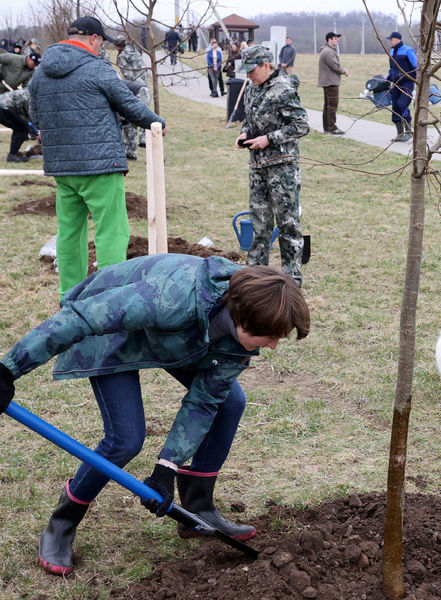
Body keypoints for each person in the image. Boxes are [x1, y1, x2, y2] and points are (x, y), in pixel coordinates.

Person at [0, 253, 310, 575]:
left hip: (179, 338)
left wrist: (166, 469)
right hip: (110, 328)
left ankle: (198, 508)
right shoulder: (173, 296)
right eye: (271, 337)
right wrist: (8, 370)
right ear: (242, 320)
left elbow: (203, 403)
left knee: (229, 403)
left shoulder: (239, 341)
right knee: (126, 439)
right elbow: (83, 318)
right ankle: (63, 522)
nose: (272, 346)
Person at [28, 16, 167, 299]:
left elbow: (35, 113)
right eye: (101, 42)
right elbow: (128, 104)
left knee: (69, 233)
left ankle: (70, 297)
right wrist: (157, 123)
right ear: (93, 38)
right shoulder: (96, 67)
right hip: (101, 165)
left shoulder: (41, 72)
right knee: (111, 232)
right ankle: (109, 297)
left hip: (62, 167)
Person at [235, 45, 309, 288]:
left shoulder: (284, 89)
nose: (248, 75)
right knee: (259, 224)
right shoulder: (252, 89)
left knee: (287, 225)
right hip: (258, 167)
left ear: (266, 65)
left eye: (252, 70)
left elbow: (301, 125)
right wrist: (245, 133)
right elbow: (249, 118)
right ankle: (255, 279)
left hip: (282, 169)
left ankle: (292, 281)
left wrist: (269, 139)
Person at [114, 37, 151, 160]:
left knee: (131, 121)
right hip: (144, 85)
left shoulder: (122, 56)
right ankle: (145, 139)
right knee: (145, 114)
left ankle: (131, 152)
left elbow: (126, 74)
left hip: (135, 87)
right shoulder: (133, 49)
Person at [386, 31, 416, 143]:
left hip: (407, 83)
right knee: (395, 107)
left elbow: (416, 66)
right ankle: (400, 133)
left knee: (402, 104)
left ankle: (408, 132)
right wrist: (387, 79)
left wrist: (413, 78)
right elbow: (392, 68)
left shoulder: (408, 50)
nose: (389, 41)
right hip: (396, 84)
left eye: (391, 39)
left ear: (396, 40)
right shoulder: (392, 51)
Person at [317, 32, 349, 135]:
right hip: (331, 82)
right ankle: (332, 128)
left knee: (328, 105)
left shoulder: (326, 51)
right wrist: (344, 71)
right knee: (332, 105)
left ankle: (327, 128)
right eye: (335, 38)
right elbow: (335, 66)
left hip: (328, 82)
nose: (337, 40)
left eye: (337, 38)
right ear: (329, 40)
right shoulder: (328, 52)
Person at [0, 88, 35, 162]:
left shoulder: (30, 92)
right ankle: (12, 155)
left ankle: (14, 153)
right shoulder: (33, 98)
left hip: (4, 105)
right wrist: (36, 134)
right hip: (4, 106)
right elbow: (30, 116)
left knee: (19, 128)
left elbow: (25, 117)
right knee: (22, 129)